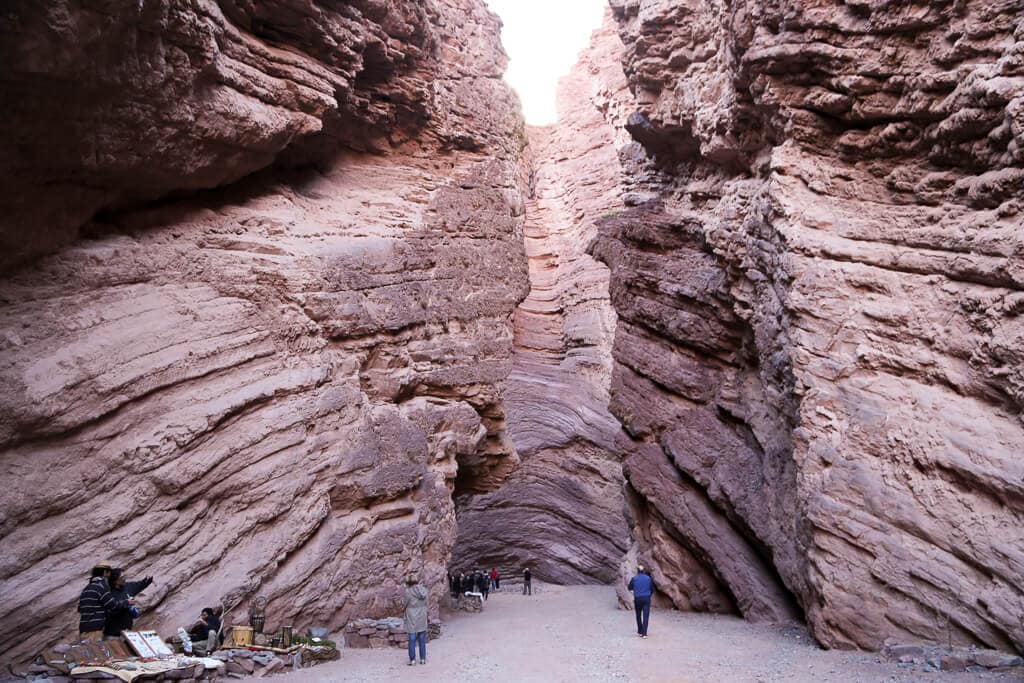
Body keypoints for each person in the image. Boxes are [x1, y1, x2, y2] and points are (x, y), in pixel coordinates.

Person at [78, 560, 131, 640]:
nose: (110, 575)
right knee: (95, 648)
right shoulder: (101, 586)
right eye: (109, 572)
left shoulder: (87, 588)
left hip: (83, 628)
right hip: (94, 630)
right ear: (105, 572)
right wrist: (127, 602)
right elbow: (113, 605)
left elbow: (80, 608)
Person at [103, 568, 154, 638]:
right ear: (115, 581)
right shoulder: (109, 593)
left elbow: (139, 585)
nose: (125, 578)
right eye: (122, 577)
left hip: (127, 632)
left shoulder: (128, 587)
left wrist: (147, 580)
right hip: (113, 633)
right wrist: (126, 603)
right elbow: (112, 608)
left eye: (125, 576)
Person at [403, 573, 428, 666]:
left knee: (412, 637)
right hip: (422, 614)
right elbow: (427, 603)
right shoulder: (424, 590)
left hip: (411, 615)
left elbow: (404, 604)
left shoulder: (408, 592)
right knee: (422, 637)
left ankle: (412, 660)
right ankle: (423, 659)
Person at [628, 564, 654, 638]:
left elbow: (629, 587)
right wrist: (649, 595)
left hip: (638, 598)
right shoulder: (648, 578)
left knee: (638, 615)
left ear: (637, 571)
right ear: (644, 571)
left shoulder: (634, 578)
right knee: (646, 616)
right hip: (646, 598)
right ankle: (644, 633)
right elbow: (652, 589)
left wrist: (635, 590)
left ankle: (640, 631)